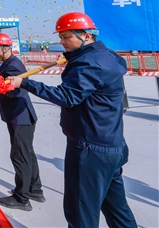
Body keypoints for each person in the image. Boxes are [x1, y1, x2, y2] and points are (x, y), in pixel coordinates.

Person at [8, 12, 137, 228]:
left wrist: (24, 83)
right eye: (60, 37)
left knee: (80, 214)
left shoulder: (88, 64)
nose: (62, 42)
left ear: (86, 35)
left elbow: (67, 97)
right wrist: (73, 56)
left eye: (66, 36)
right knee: (117, 210)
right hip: (113, 145)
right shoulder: (107, 56)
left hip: (89, 149)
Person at [0, 33, 43, 212]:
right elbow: (0, 73)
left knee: (20, 156)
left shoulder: (14, 66)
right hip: (18, 116)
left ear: (6, 48)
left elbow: (14, 91)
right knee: (28, 154)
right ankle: (35, 189)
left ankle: (22, 198)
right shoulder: (7, 63)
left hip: (20, 117)